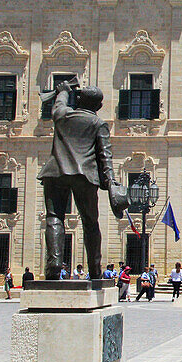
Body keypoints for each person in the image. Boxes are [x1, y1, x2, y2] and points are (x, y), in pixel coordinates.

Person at [37, 80, 129, 280]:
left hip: (55, 173)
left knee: (54, 217)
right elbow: (105, 155)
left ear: (78, 100)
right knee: (90, 223)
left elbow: (58, 106)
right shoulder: (98, 123)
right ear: (99, 106)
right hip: (85, 176)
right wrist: (111, 181)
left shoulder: (63, 115)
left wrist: (63, 91)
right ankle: (95, 269)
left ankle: (54, 265)